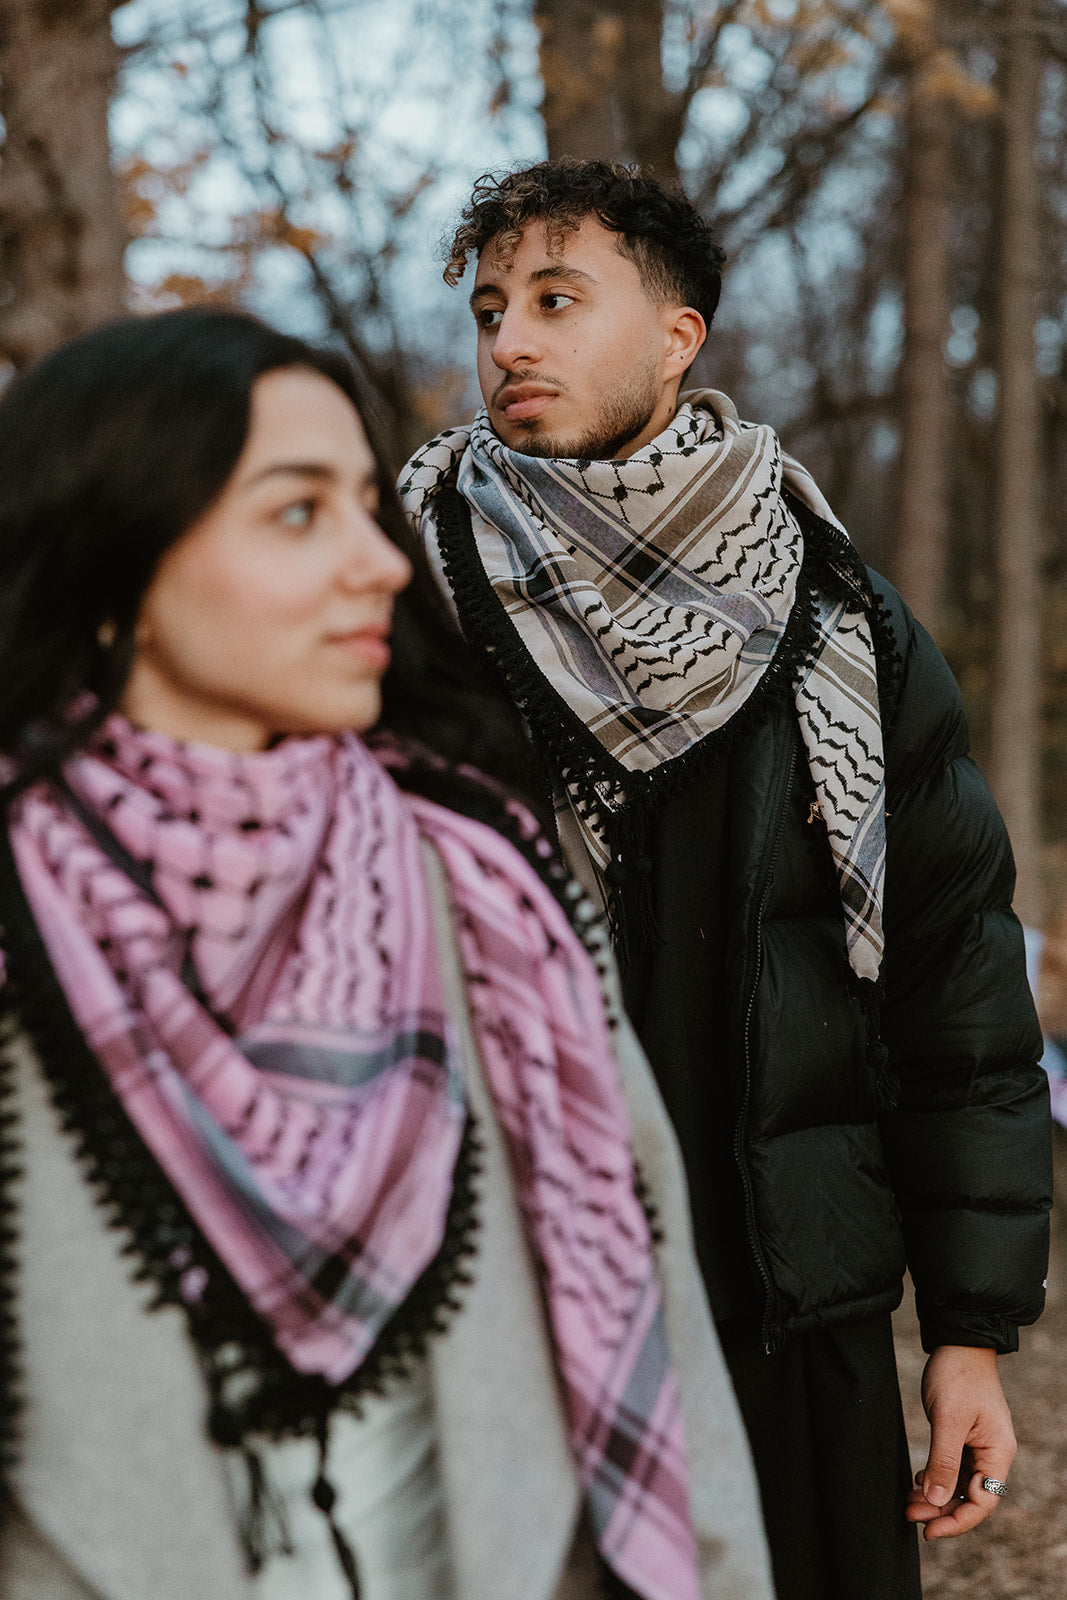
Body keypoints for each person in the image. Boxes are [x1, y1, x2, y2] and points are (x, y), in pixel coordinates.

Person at [0, 307, 775, 1600]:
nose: (377, 564)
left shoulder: (484, 890)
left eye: (368, 508)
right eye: (298, 512)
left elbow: (667, 1341)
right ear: (107, 566)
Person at [399, 158, 1054, 1600]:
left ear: (678, 336)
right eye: (492, 304)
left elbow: (959, 999)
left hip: (784, 1304)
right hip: (507, 1301)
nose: (508, 338)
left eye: (559, 299)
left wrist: (967, 1331)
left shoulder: (838, 624)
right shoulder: (410, 604)